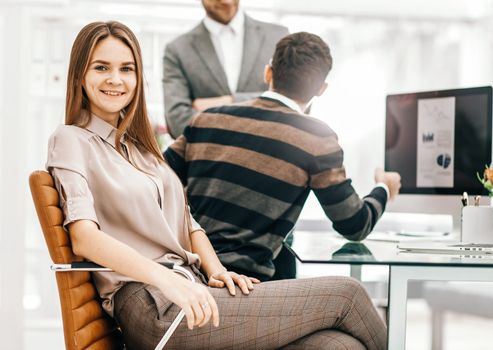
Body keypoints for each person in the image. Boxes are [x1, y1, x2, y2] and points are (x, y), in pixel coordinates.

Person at [46, 21, 387, 350]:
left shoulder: (141, 151)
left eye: (127, 69)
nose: (116, 80)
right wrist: (167, 280)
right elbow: (84, 237)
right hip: (150, 302)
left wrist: (217, 270)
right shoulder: (71, 139)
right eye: (101, 68)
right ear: (80, 75)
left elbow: (187, 221)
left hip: (190, 285)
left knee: (338, 345)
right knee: (349, 294)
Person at [164, 32, 402, 282]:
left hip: (182, 274)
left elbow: (153, 179)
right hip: (243, 287)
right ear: (321, 89)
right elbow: (355, 224)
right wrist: (384, 187)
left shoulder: (207, 119)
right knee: (350, 297)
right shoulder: (316, 138)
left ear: (268, 73)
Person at [163, 0, 288, 138]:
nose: (225, 1)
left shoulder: (278, 37)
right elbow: (177, 122)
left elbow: (294, 103)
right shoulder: (178, 49)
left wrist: (228, 102)